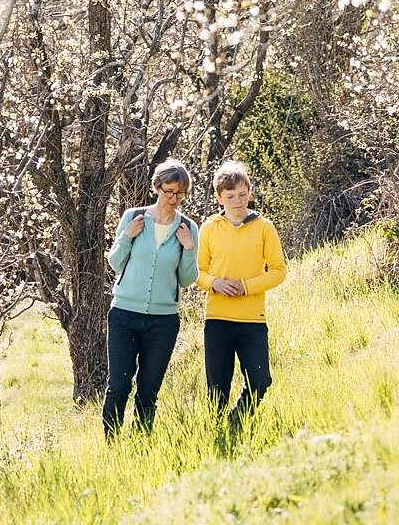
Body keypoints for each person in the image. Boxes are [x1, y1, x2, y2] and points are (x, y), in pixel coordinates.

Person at [102, 159, 199, 435]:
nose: (173, 199)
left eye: (179, 193)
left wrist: (189, 249)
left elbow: (187, 279)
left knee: (148, 390)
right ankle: (111, 446)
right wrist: (127, 238)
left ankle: (141, 445)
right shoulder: (134, 217)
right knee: (119, 385)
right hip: (124, 315)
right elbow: (115, 263)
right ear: (157, 188)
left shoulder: (188, 228)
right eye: (168, 191)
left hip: (163, 321)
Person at [197, 160, 286, 431]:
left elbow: (279, 271)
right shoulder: (210, 228)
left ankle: (236, 422)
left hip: (252, 321)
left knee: (260, 382)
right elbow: (196, 272)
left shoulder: (264, 227)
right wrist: (215, 283)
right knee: (217, 389)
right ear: (219, 197)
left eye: (242, 193)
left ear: (249, 191)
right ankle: (216, 435)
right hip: (217, 320)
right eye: (230, 195)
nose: (237, 200)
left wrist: (247, 286)